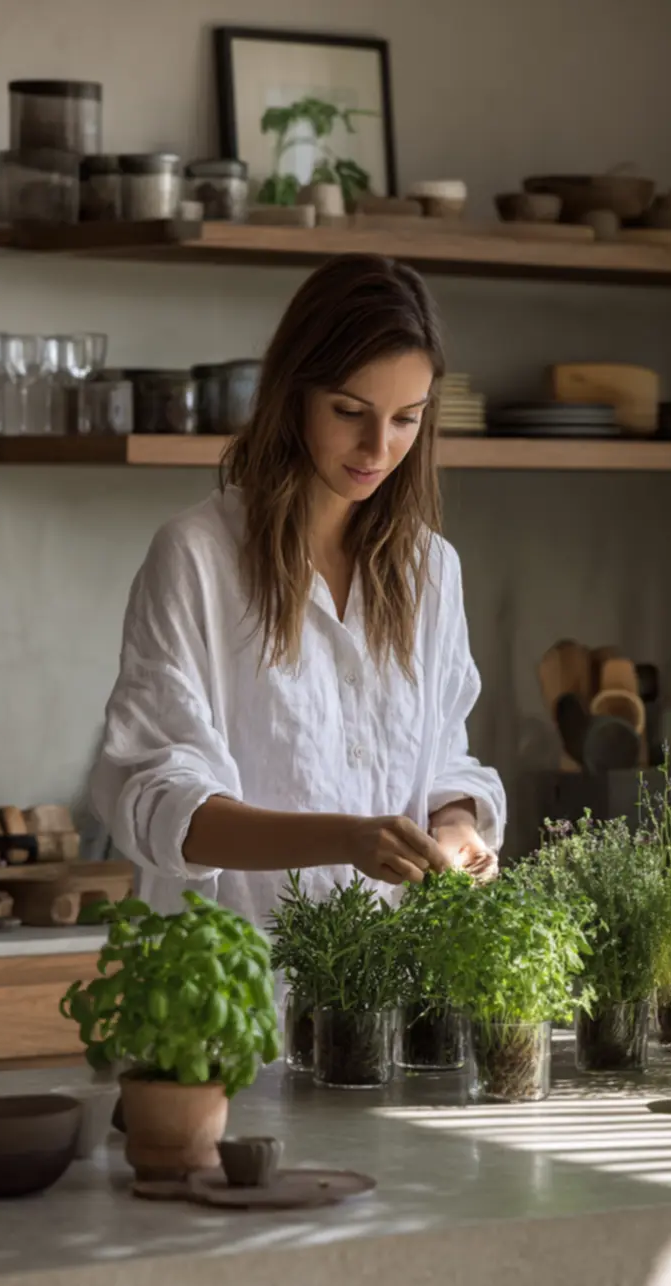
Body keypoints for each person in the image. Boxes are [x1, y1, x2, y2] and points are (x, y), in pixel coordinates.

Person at [91, 253, 506, 927]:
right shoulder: (197, 559)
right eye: (350, 411)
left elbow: (443, 757)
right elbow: (160, 802)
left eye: (407, 418)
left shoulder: (431, 570)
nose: (378, 447)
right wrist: (342, 839)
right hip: (232, 987)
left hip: (383, 990)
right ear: (295, 394)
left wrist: (455, 824)